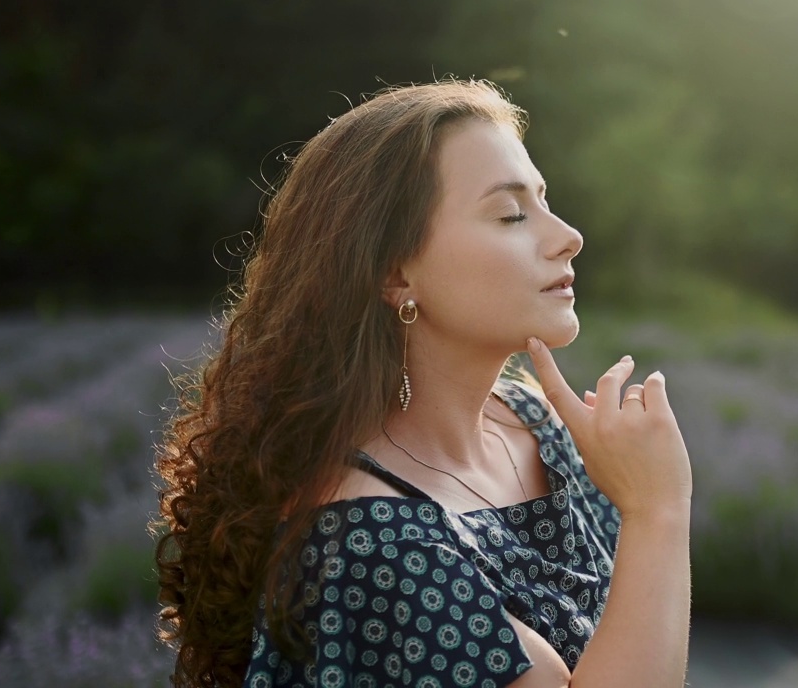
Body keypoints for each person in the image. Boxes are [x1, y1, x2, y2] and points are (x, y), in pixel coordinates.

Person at [154, 80, 692, 688]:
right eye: (512, 214)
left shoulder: (536, 425)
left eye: (544, 201)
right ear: (394, 274)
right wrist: (658, 510)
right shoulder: (372, 542)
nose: (568, 235)